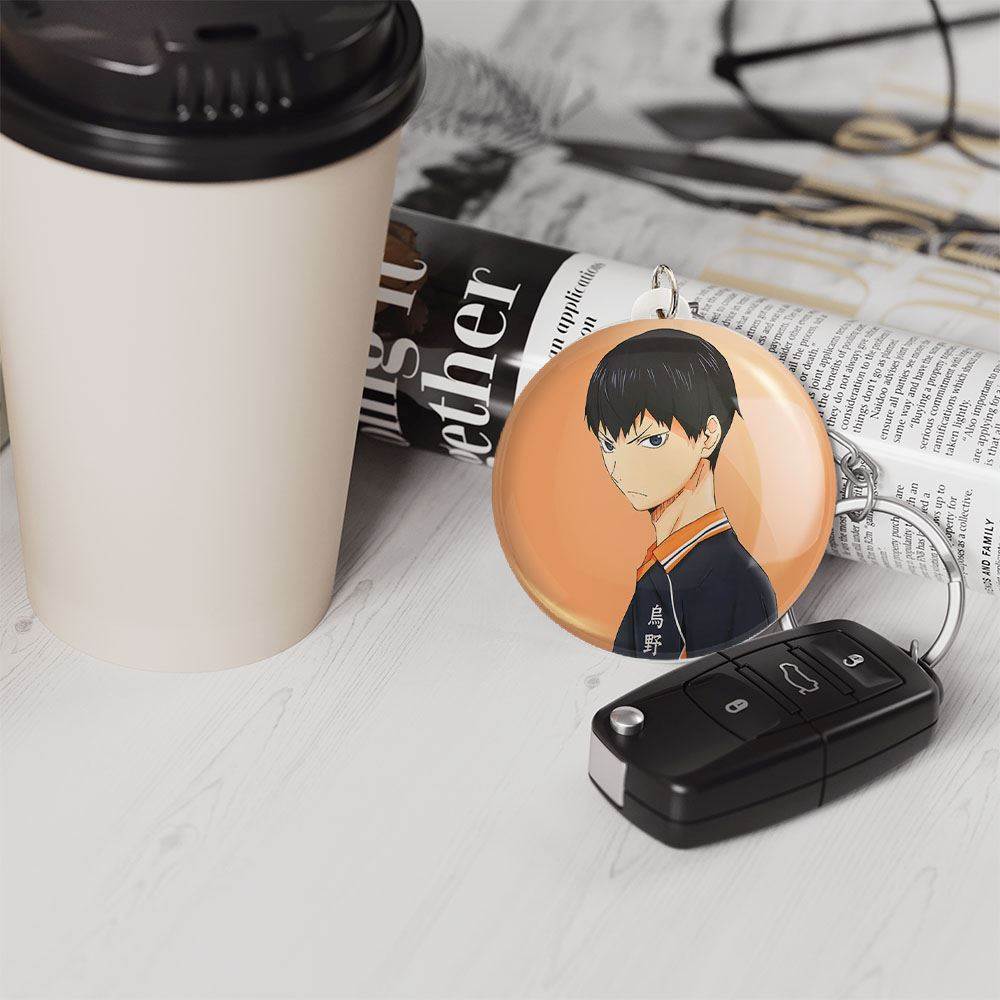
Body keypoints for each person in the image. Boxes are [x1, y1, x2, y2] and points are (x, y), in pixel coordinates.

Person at [584, 327, 777, 659]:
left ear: (708, 435)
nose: (619, 467)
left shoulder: (728, 581)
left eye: (652, 440)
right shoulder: (663, 568)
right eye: (608, 445)